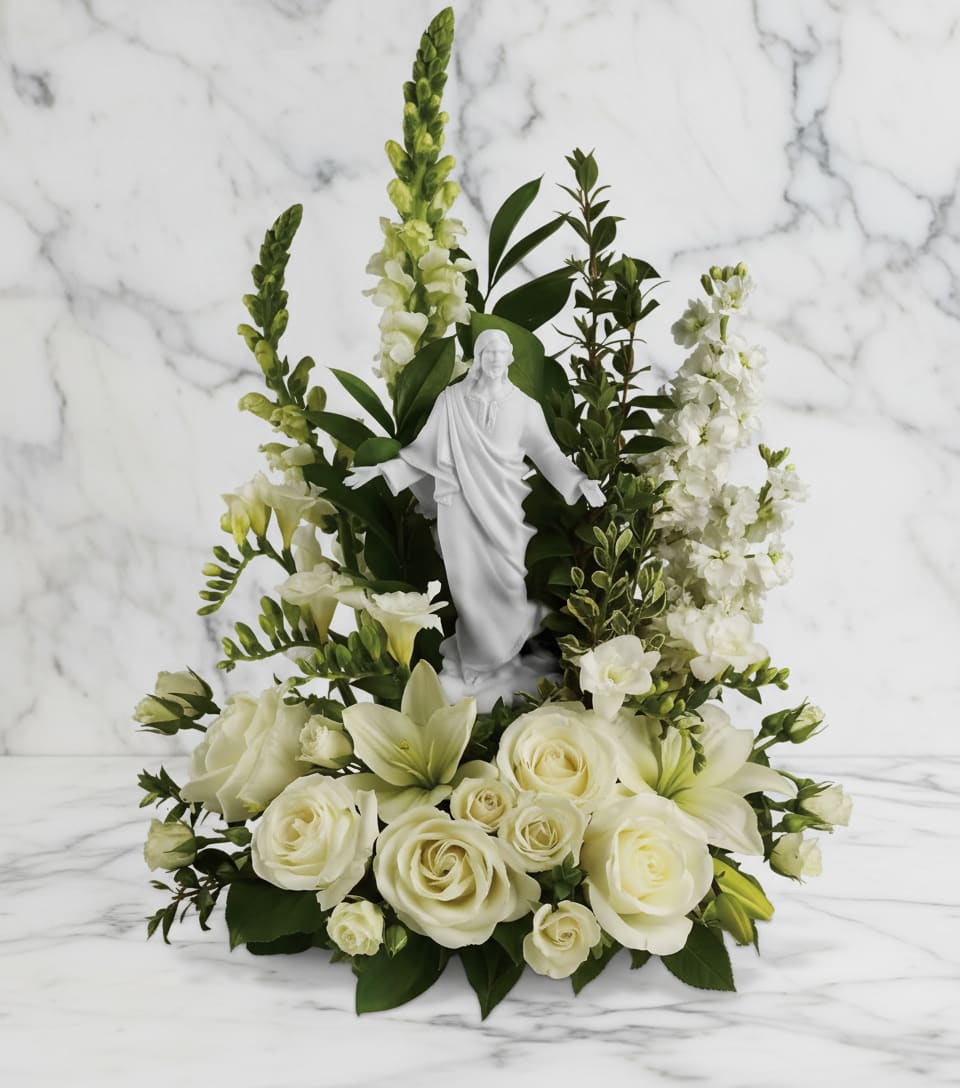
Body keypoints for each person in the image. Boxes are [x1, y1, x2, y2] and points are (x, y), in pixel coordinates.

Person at [346, 328, 604, 702]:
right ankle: (476, 668)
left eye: (502, 353)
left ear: (510, 358)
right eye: (488, 352)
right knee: (466, 588)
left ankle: (508, 651)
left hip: (503, 511)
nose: (495, 359)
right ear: (479, 358)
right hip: (459, 511)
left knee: (507, 584)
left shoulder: (525, 408)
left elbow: (548, 455)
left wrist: (580, 483)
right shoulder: (451, 402)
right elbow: (424, 453)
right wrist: (382, 471)